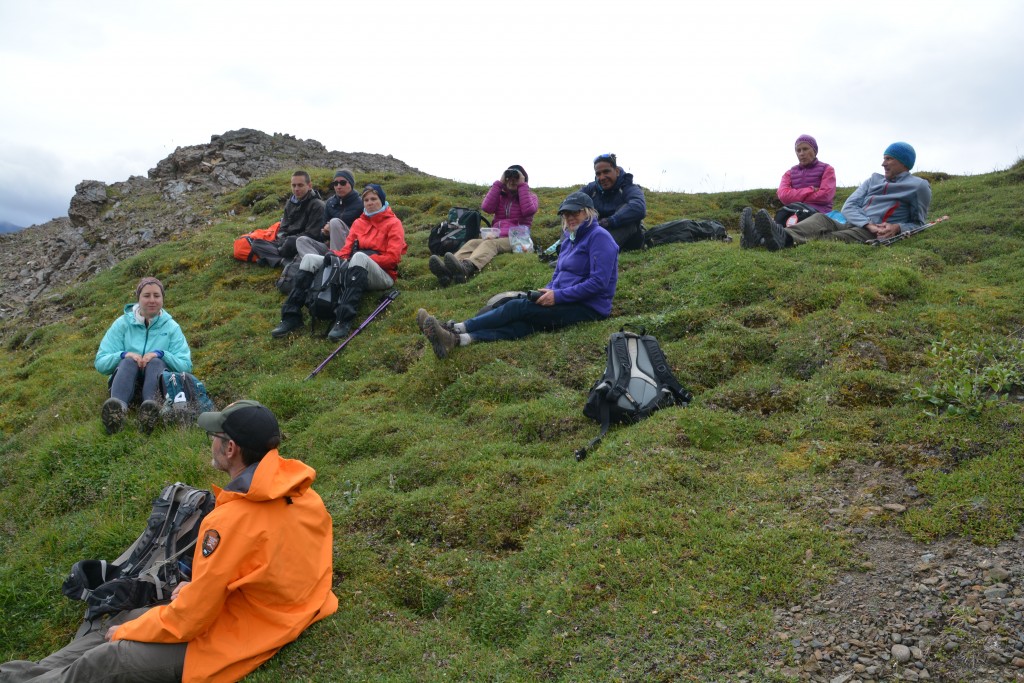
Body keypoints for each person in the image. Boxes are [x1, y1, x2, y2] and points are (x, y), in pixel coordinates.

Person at [0, 400, 338, 683]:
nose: (211, 442)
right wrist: (192, 591)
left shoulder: (229, 522)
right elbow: (269, 567)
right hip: (273, 608)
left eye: (214, 436)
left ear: (230, 448)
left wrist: (131, 630)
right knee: (122, 620)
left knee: (109, 655)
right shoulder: (307, 497)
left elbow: (190, 620)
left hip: (242, 634)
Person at [417, 191, 618, 359]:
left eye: (576, 212)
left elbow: (598, 283)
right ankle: (457, 340)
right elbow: (559, 273)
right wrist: (549, 290)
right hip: (564, 297)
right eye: (566, 214)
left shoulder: (600, 237)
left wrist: (558, 296)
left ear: (588, 212)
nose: (570, 217)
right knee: (523, 325)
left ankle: (456, 328)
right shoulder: (569, 239)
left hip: (589, 307)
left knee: (517, 307)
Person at [271, 183, 407, 341]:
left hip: (383, 275)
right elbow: (345, 251)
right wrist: (332, 256)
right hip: (354, 269)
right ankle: (290, 316)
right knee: (309, 259)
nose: (370, 202)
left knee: (358, 257)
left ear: (382, 201)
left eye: (374, 199)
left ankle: (343, 319)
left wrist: (363, 259)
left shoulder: (394, 223)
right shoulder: (358, 223)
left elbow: (393, 258)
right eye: (366, 200)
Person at [749, 142, 931, 250]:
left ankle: (768, 240)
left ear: (903, 162)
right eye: (884, 158)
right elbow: (849, 206)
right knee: (820, 219)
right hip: (857, 222)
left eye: (889, 158)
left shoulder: (918, 186)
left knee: (832, 237)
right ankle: (770, 236)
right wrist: (867, 223)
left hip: (876, 230)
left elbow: (918, 223)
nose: (883, 163)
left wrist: (897, 227)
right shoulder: (873, 180)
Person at [94, 277, 192, 435]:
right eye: (146, 296)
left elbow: (185, 365)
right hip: (125, 381)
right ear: (138, 299)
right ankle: (117, 411)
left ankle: (150, 409)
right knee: (127, 362)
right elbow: (101, 362)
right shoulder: (122, 324)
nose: (152, 300)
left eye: (156, 295)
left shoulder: (172, 327)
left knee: (156, 362)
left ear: (162, 299)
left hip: (157, 383)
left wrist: (161, 354)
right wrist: (124, 354)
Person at [428, 164, 539, 286]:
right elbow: (486, 207)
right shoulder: (501, 197)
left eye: (516, 178)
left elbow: (528, 210)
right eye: (509, 178)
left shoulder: (531, 197)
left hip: (516, 239)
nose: (512, 181)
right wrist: (499, 183)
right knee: (472, 243)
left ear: (523, 180)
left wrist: (522, 185)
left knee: (490, 244)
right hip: (496, 235)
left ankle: (467, 267)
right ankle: (447, 270)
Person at [741, 134, 837, 248]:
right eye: (798, 150)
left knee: (796, 221)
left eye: (805, 149)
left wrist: (794, 194)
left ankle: (757, 238)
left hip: (816, 212)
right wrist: (810, 190)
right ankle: (756, 236)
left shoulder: (828, 169)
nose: (801, 153)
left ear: (815, 150)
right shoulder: (789, 173)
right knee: (781, 216)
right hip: (792, 209)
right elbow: (783, 195)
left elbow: (825, 195)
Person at [580, 153, 647, 251]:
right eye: (598, 174)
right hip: (597, 232)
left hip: (629, 241)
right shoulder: (591, 189)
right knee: (572, 212)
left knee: (626, 212)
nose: (602, 177)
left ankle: (594, 251)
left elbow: (639, 208)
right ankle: (565, 251)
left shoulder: (629, 188)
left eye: (606, 171)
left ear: (617, 171)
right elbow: (569, 203)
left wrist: (609, 221)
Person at [294, 169, 364, 258]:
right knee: (301, 240)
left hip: (352, 247)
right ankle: (319, 264)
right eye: (335, 183)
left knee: (334, 222)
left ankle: (338, 263)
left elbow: (365, 231)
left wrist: (335, 227)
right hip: (331, 246)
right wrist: (325, 233)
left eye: (343, 183)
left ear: (351, 184)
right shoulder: (330, 203)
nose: (338, 186)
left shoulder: (361, 203)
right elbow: (321, 235)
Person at [275, 170, 326, 260]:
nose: (296, 189)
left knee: (290, 242)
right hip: (287, 240)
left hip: (304, 242)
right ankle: (281, 256)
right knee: (257, 244)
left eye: (300, 185)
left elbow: (312, 234)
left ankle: (278, 256)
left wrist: (289, 240)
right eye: (293, 185)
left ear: (309, 186)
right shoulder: (290, 203)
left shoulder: (318, 205)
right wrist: (282, 239)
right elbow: (283, 228)